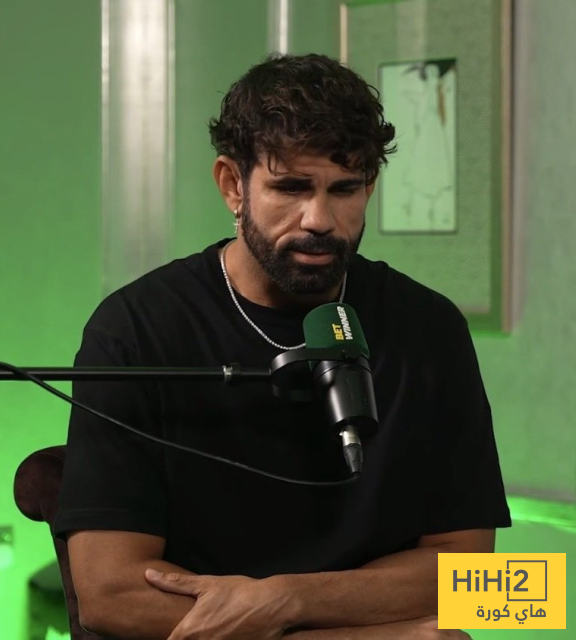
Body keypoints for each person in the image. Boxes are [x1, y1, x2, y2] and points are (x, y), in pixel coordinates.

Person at [55, 53, 511, 639]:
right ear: (232, 185)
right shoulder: (136, 328)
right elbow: (109, 595)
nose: (319, 219)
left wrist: (286, 600)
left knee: (504, 612)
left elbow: (476, 577)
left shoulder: (431, 327)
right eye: (291, 187)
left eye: (344, 189)